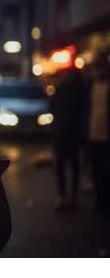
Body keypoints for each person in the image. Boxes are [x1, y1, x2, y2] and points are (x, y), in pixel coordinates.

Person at [49, 68, 86, 211]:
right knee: (74, 167)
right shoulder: (82, 91)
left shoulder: (61, 90)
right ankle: (72, 198)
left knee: (62, 166)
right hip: (74, 134)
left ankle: (64, 197)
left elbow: (53, 107)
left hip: (62, 133)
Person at [84, 48, 110, 215]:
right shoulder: (90, 86)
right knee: (96, 171)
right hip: (93, 135)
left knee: (106, 171)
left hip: (106, 136)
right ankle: (100, 203)